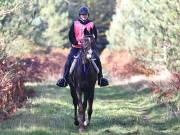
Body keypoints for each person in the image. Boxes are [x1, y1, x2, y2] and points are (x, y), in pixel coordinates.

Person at [56, 6, 109, 87]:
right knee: (69, 61)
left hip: (88, 48)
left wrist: (91, 44)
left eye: (85, 14)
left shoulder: (91, 24)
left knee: (97, 59)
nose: (84, 16)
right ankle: (64, 80)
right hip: (76, 48)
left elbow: (95, 36)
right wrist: (76, 42)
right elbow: (71, 36)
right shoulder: (75, 24)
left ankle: (101, 79)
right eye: (82, 15)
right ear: (80, 15)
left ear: (88, 15)